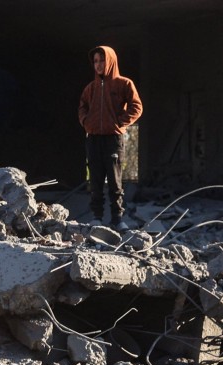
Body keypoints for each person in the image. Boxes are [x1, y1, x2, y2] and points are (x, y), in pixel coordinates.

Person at [78, 45, 143, 228]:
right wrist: (86, 122)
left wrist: (120, 122)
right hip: (93, 138)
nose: (99, 64)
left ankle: (117, 219)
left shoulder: (124, 84)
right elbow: (82, 107)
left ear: (111, 61)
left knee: (115, 180)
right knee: (95, 180)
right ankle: (97, 217)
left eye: (102, 60)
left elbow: (137, 107)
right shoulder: (90, 88)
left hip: (113, 138)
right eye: (95, 61)